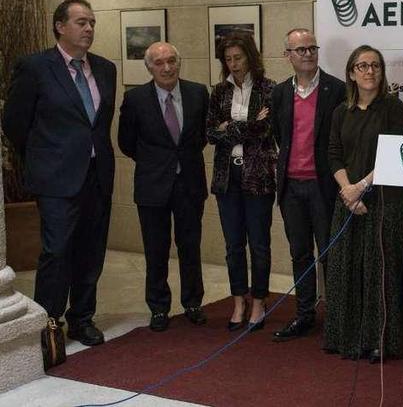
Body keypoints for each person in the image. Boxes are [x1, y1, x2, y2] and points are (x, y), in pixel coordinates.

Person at [2, 0, 116, 346]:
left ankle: (82, 318)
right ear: (60, 26)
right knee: (57, 251)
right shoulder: (36, 67)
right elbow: (14, 123)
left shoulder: (105, 68)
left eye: (92, 22)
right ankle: (48, 325)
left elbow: (98, 124)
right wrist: (44, 157)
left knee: (91, 250)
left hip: (97, 175)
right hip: (56, 179)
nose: (88, 28)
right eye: (81, 22)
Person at [324, 45, 403, 363]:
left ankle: (379, 341)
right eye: (362, 66)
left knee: (379, 272)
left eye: (375, 65)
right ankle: (345, 337)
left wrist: (362, 187)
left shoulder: (394, 108)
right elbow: (333, 154)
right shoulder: (340, 111)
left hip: (385, 201)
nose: (369, 71)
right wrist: (349, 190)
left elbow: (396, 155)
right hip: (347, 200)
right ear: (351, 73)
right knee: (344, 269)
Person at [117, 42, 209, 332]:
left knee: (190, 247)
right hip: (152, 186)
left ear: (179, 63)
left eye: (172, 61)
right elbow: (126, 143)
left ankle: (193, 302)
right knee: (155, 250)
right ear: (149, 67)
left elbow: (201, 137)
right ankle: (158, 308)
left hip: (189, 185)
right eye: (159, 63)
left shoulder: (198, 93)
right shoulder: (135, 99)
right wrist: (158, 163)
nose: (167, 68)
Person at [270, 28, 345, 341]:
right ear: (287, 55)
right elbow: (279, 134)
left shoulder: (337, 89)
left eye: (312, 48)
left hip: (323, 186)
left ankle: (337, 318)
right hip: (291, 187)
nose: (308, 54)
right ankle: (304, 314)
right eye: (300, 50)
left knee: (330, 253)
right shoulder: (280, 93)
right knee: (300, 253)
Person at [207, 32, 276, 332]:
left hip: (257, 175)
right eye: (228, 59)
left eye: (239, 57)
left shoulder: (269, 89)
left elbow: (265, 130)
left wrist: (230, 127)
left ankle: (259, 301)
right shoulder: (218, 92)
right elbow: (210, 134)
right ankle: (238, 300)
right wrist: (245, 126)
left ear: (251, 56)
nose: (233, 64)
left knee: (259, 244)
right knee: (233, 244)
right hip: (227, 178)